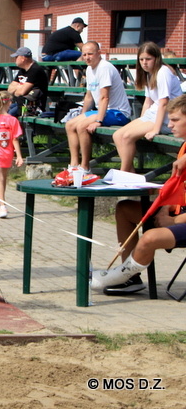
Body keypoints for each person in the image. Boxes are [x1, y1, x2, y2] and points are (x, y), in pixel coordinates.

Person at [91, 94, 186, 295]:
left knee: (150, 238)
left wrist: (175, 220)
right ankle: (131, 280)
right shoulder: (183, 148)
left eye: (175, 120)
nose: (170, 125)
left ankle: (120, 274)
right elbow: (176, 189)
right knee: (125, 209)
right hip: (176, 216)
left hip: (182, 220)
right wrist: (163, 212)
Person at [62, 41, 131, 177]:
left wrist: (98, 120)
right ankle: (74, 165)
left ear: (99, 53)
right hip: (104, 110)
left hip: (118, 112)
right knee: (71, 124)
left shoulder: (104, 68)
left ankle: (85, 167)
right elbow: (89, 97)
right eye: (85, 54)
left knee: (82, 126)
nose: (87, 57)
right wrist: (81, 115)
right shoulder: (89, 69)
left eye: (90, 54)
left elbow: (104, 97)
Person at [113, 42, 182, 172]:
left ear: (156, 58)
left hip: (166, 117)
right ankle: (130, 173)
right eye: (141, 59)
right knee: (118, 135)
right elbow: (148, 101)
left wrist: (156, 129)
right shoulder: (149, 73)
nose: (144, 63)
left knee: (127, 136)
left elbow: (164, 103)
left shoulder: (163, 72)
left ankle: (124, 172)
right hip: (152, 113)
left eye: (148, 59)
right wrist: (141, 120)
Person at [0, 91, 24, 218]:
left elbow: (14, 138)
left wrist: (18, 156)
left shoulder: (9, 120)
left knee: (3, 179)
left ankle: (0, 200)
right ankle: (2, 205)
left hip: (5, 153)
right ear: (9, 103)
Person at [6, 46, 48, 117]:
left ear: (23, 58)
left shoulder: (35, 70)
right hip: (21, 102)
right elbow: (9, 90)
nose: (15, 59)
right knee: (3, 110)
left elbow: (22, 92)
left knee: (10, 115)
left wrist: (18, 87)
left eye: (16, 57)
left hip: (32, 106)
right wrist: (20, 87)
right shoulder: (22, 70)